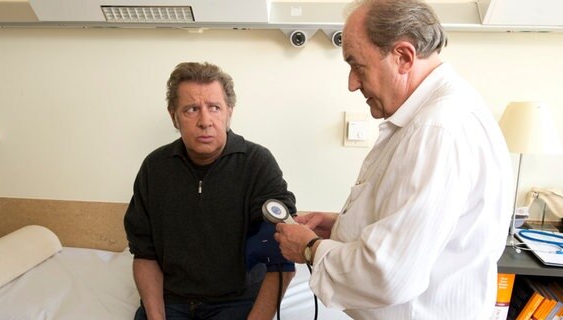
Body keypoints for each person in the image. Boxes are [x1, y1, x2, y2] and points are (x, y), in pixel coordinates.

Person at [274, 0, 513, 319]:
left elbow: (389, 275)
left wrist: (308, 249)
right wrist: (343, 227)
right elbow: (412, 226)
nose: (352, 84)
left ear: (403, 57)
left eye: (357, 65)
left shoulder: (436, 130)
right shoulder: (438, 115)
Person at [124, 61, 297, 320]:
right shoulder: (155, 168)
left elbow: (282, 262)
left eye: (214, 108)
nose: (205, 121)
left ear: (229, 112)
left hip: (238, 301)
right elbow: (144, 254)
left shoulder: (257, 164)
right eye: (192, 109)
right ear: (173, 116)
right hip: (171, 300)